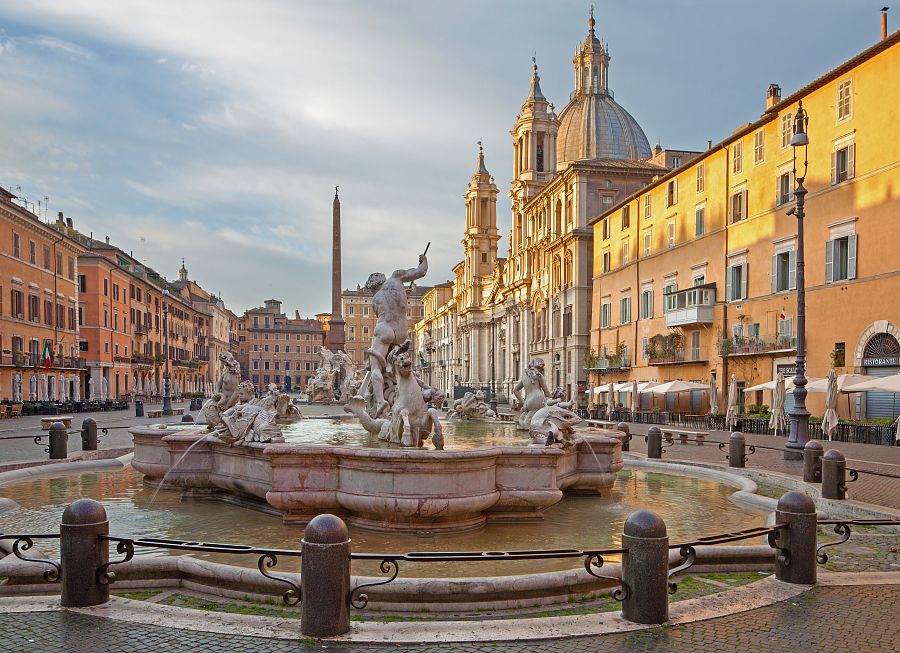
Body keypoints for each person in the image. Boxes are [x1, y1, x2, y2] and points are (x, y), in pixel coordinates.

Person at [364, 254, 428, 416]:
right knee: (399, 363)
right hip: (401, 331)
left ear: (372, 286)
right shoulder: (397, 278)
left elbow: (385, 312)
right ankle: (406, 393)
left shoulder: (375, 299)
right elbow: (421, 271)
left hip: (384, 329)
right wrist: (424, 260)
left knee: (375, 367)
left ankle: (381, 402)